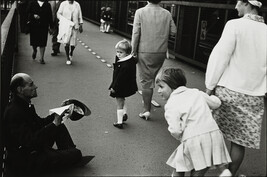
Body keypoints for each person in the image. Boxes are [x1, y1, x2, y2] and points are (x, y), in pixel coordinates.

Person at [205, 0, 266, 176]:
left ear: (247, 3)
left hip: (229, 90)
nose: (235, 7)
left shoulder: (234, 25)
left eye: (238, 3)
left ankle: (223, 169)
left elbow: (220, 56)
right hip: (254, 95)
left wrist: (209, 86)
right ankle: (229, 173)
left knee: (213, 132)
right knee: (239, 141)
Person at [3, 73, 93, 176]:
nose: (35, 87)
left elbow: (39, 124)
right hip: (27, 160)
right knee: (77, 154)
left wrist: (59, 112)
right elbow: (30, 142)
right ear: (20, 90)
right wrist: (54, 124)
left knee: (60, 127)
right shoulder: (14, 112)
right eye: (31, 84)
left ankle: (66, 154)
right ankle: (67, 155)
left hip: (32, 150)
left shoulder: (23, 104)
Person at [155, 68, 232, 177]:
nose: (158, 91)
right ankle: (224, 171)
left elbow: (175, 129)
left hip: (192, 138)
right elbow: (215, 104)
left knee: (180, 165)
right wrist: (215, 97)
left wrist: (180, 137)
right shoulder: (196, 92)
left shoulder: (171, 104)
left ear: (172, 85)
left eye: (161, 87)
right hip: (213, 133)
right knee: (201, 166)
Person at [131, 0, 177, 120]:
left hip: (144, 51)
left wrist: (133, 51)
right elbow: (174, 31)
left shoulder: (140, 12)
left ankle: (146, 110)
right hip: (160, 51)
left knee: (146, 81)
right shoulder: (167, 13)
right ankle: (173, 108)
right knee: (158, 77)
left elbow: (136, 33)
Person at [109, 39, 138, 129]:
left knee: (119, 103)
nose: (118, 54)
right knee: (122, 100)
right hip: (127, 86)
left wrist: (113, 87)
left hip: (120, 87)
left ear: (127, 53)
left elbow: (119, 78)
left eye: (120, 52)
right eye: (117, 52)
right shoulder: (130, 61)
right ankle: (124, 114)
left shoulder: (124, 65)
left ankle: (119, 122)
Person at [57, 0, 83, 65]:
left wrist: (81, 24)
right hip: (66, 26)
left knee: (73, 42)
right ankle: (68, 57)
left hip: (74, 25)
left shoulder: (77, 4)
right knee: (66, 41)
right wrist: (63, 20)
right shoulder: (63, 4)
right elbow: (58, 14)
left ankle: (71, 52)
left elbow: (80, 15)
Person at [26, 0, 53, 64]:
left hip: (44, 26)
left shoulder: (47, 5)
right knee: (34, 42)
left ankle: (41, 58)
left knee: (43, 42)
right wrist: (33, 15)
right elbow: (27, 12)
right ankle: (34, 50)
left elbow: (50, 16)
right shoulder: (32, 3)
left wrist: (51, 27)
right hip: (34, 26)